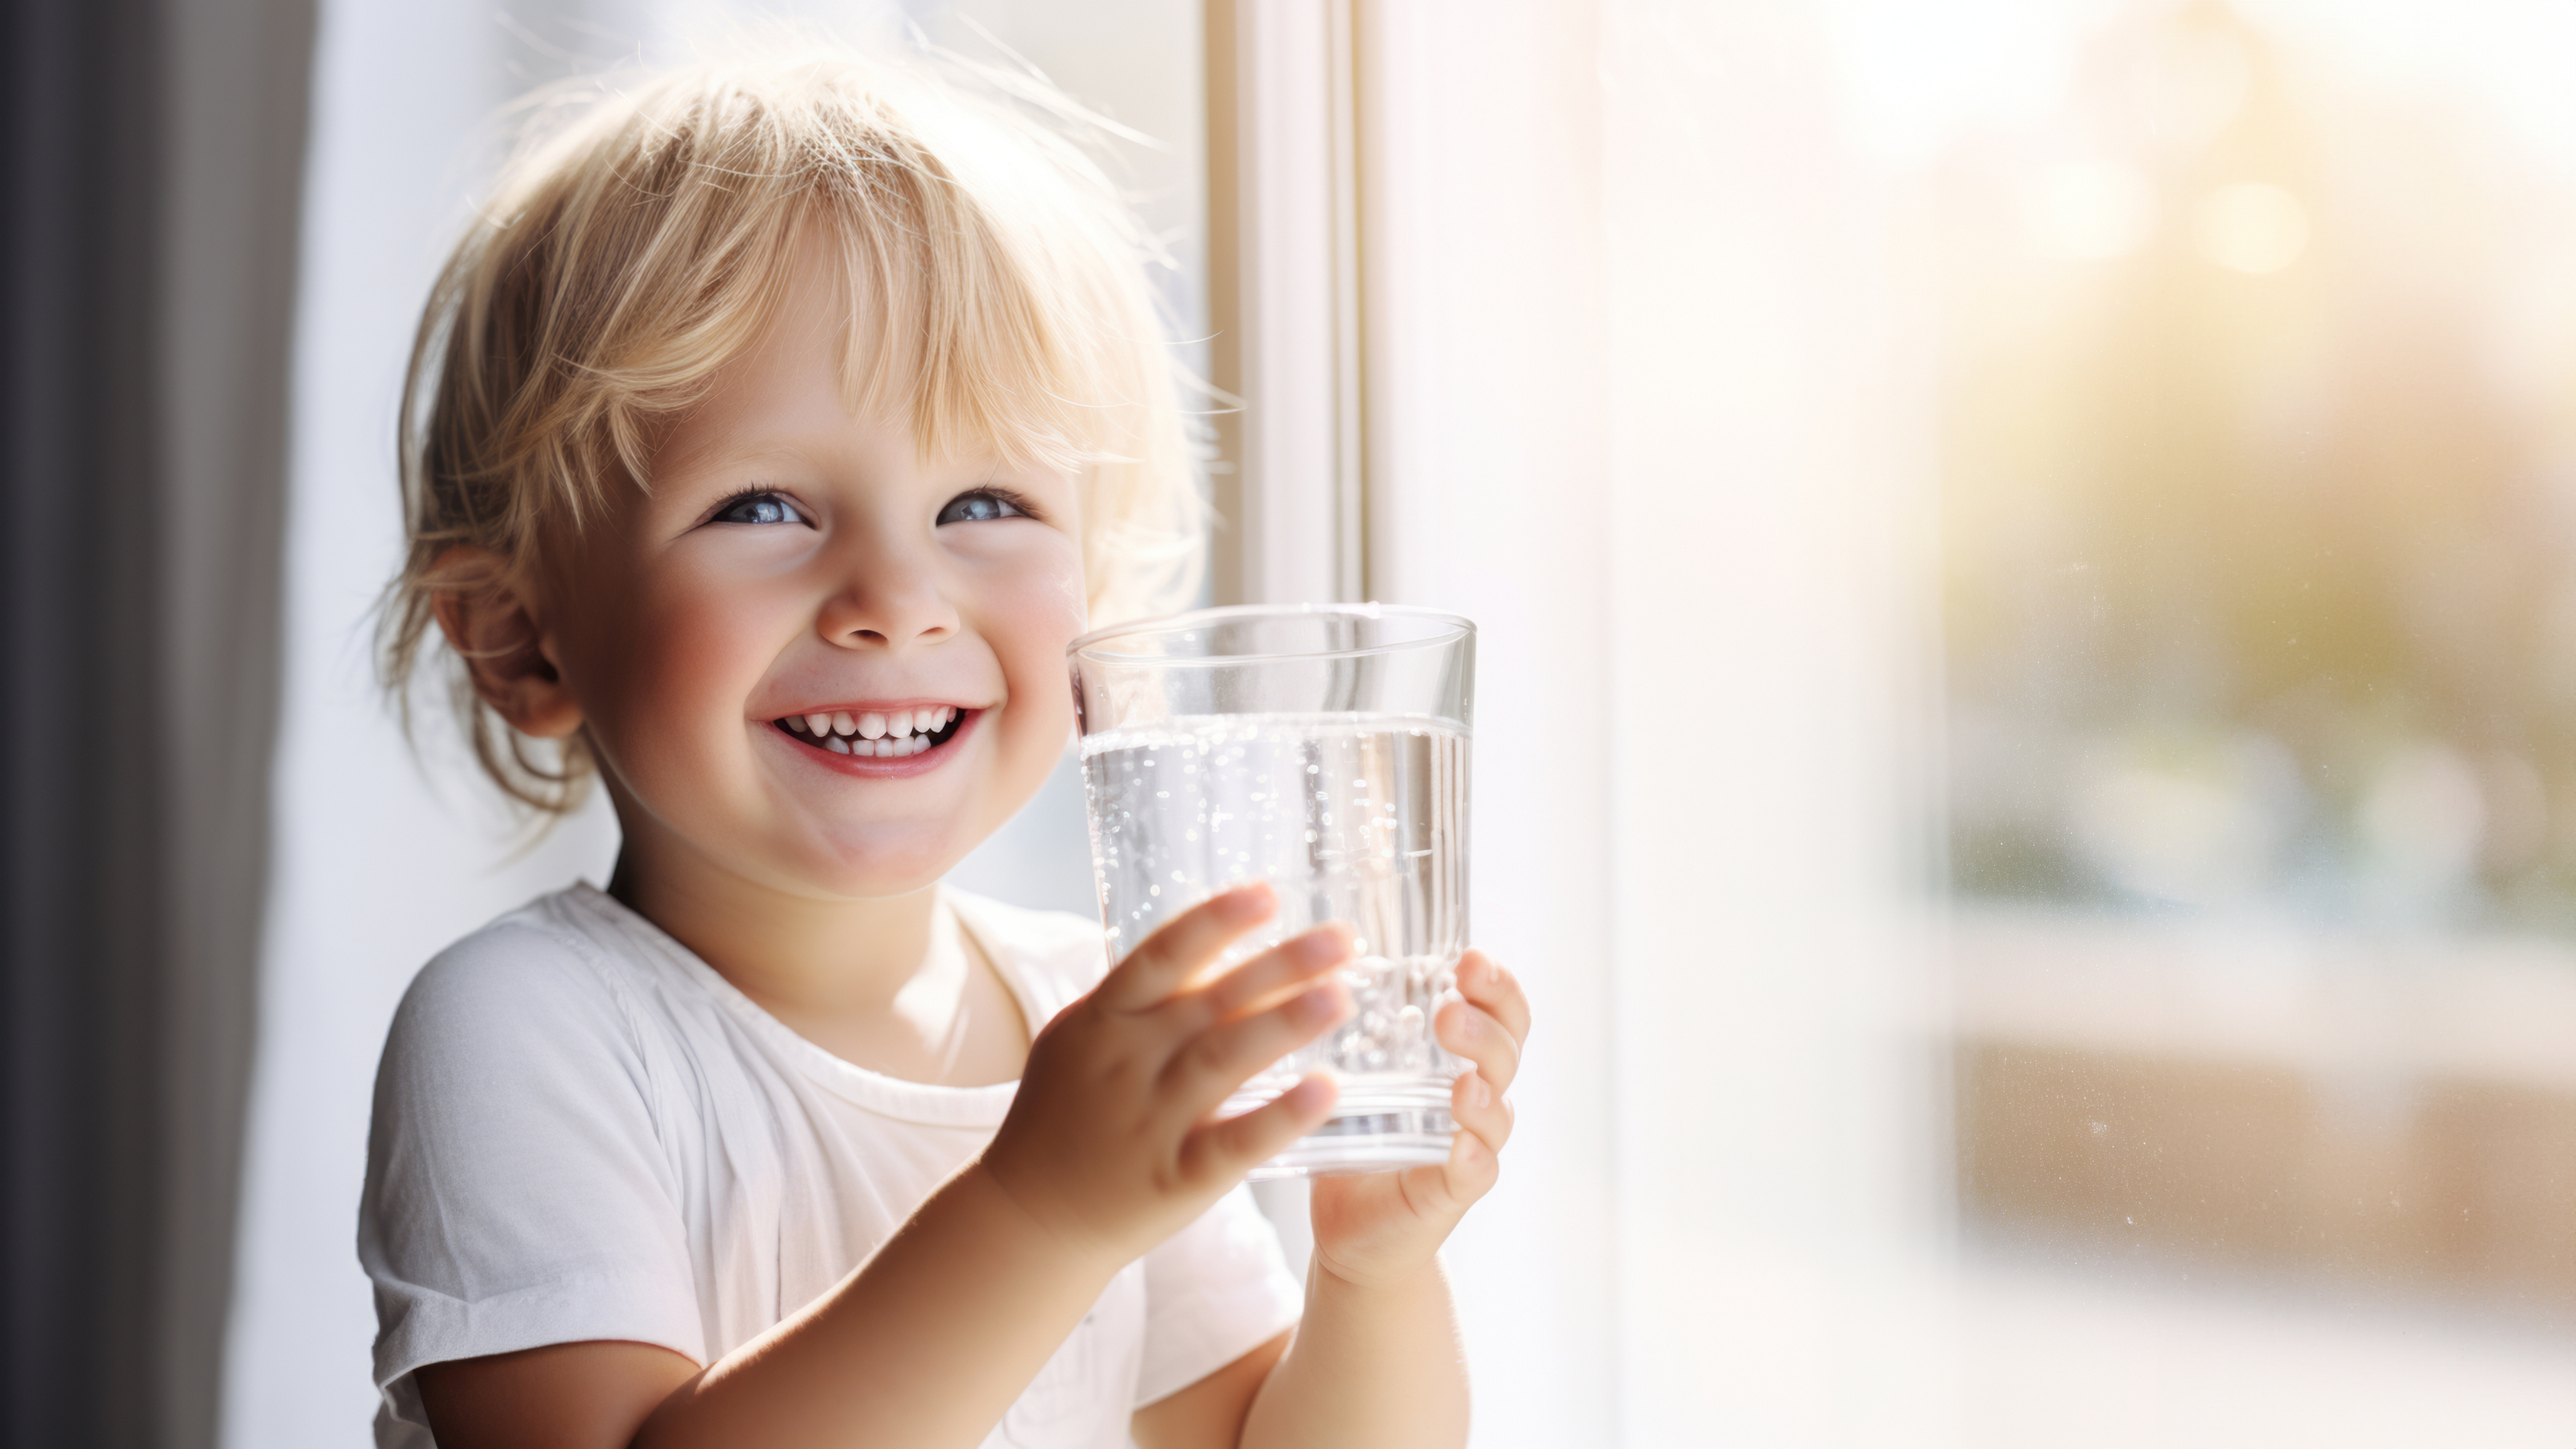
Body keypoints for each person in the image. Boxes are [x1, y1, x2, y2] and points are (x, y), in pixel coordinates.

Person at [358, 46, 1530, 1449]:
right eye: (761, 506)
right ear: (523, 640)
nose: (895, 602)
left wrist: (1373, 1270)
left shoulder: (1078, 1017)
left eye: (982, 499)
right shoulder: (522, 1032)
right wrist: (1038, 1211)